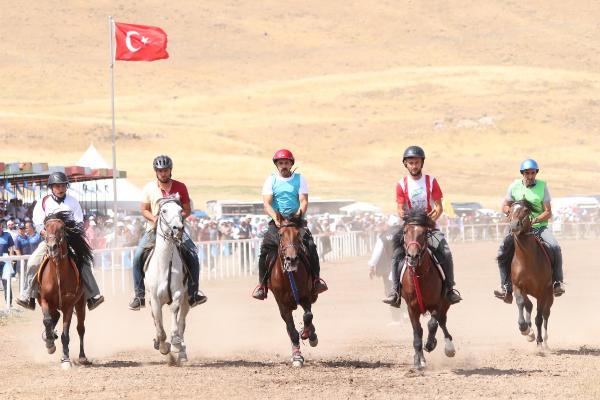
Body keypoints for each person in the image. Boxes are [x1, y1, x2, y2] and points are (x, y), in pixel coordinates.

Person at [383, 145, 462, 307]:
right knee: (397, 254)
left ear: (422, 163)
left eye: (417, 162)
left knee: (446, 252)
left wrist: (428, 221)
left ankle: (449, 289)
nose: (414, 166)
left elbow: (439, 207)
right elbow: (400, 207)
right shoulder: (401, 184)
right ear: (406, 164)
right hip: (410, 227)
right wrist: (409, 219)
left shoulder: (431, 181)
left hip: (429, 226)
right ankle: (395, 291)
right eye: (410, 163)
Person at [15, 172, 105, 311]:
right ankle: (28, 296)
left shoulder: (73, 201)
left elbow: (79, 221)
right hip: (49, 240)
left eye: (63, 185)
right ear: (51, 187)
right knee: (33, 261)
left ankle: (93, 296)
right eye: (57, 186)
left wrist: (70, 232)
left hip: (69, 240)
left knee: (85, 262)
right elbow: (38, 222)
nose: (61, 188)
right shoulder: (43, 201)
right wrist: (44, 233)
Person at [128, 155, 207, 310]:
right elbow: (144, 209)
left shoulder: (181, 187)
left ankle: (193, 293)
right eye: (160, 171)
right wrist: (154, 219)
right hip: (153, 230)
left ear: (170, 170)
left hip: (177, 231)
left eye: (166, 170)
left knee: (193, 255)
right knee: (137, 257)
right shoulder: (149, 188)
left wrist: (177, 219)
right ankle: (139, 296)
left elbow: (187, 209)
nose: (163, 173)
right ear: (156, 172)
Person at [252, 149, 328, 300]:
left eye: (286, 162)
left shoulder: (300, 179)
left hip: (296, 221)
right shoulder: (271, 180)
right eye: (281, 163)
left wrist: (298, 216)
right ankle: (262, 285)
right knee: (265, 250)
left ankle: (316, 280)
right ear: (277, 165)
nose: (284, 165)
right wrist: (275, 218)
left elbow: (303, 201)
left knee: (311, 246)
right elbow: (266, 203)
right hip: (277, 221)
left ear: (291, 164)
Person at [493, 159, 565, 302]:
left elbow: (548, 212)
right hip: (516, 228)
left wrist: (536, 220)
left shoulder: (542, 186)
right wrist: (511, 212)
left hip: (538, 227)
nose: (530, 176)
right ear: (522, 173)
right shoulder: (514, 186)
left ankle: (557, 282)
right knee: (502, 252)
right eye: (527, 173)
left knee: (555, 247)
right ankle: (506, 288)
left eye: (533, 173)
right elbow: (505, 206)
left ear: (536, 173)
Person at [0, 222, 16, 305]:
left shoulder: (7, 235)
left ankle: (9, 304)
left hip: (5, 263)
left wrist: (12, 260)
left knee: (6, 283)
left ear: (2, 227)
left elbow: (11, 248)